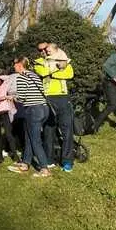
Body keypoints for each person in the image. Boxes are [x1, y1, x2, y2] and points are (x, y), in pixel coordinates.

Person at [34, 43, 75, 172]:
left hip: (63, 97)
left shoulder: (63, 59)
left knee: (67, 130)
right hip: (48, 98)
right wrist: (59, 68)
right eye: (40, 50)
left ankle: (67, 161)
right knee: (48, 130)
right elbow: (43, 72)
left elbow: (69, 74)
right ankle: (49, 159)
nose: (44, 52)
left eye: (46, 49)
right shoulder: (38, 62)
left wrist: (54, 72)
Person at [8, 57, 52, 177]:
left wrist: (12, 97)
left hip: (33, 110)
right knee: (29, 137)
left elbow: (22, 97)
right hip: (43, 108)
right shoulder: (34, 75)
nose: (14, 66)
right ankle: (26, 163)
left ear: (20, 65)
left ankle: (44, 168)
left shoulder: (22, 77)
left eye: (15, 64)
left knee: (35, 140)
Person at [0, 75, 18, 164]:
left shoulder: (3, 87)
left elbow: (9, 78)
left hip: (5, 113)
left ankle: (15, 155)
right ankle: (0, 156)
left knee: (9, 134)